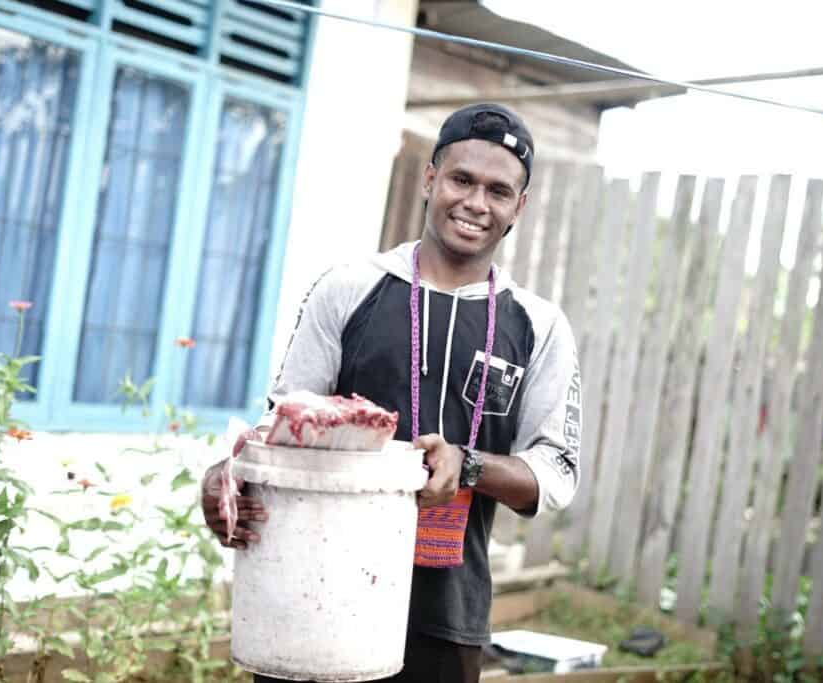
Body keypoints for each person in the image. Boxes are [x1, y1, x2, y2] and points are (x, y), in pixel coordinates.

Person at [201, 103, 582, 683]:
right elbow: (282, 421)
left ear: (518, 207)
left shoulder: (539, 326)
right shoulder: (349, 289)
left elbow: (554, 473)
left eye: (498, 191)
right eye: (462, 179)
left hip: (444, 615)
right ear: (431, 177)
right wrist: (228, 472)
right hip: (315, 591)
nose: (476, 203)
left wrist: (468, 465)